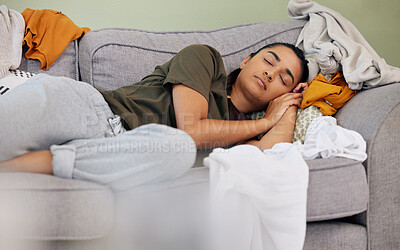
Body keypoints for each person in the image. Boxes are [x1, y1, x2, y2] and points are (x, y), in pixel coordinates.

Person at [0, 43, 308, 189]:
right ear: (247, 59)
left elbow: (272, 150)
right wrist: (266, 121)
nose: (271, 72)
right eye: (270, 60)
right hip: (93, 111)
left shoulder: (245, 135)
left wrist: (295, 101)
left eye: (284, 78)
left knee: (178, 150)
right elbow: (192, 127)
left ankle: (27, 165)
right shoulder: (207, 60)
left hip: (131, 153)